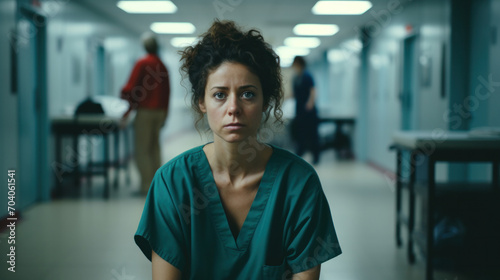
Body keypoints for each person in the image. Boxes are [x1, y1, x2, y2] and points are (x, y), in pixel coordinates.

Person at [134, 20, 341, 280]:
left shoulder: (299, 184)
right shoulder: (172, 183)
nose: (233, 108)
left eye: (248, 94)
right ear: (202, 102)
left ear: (265, 101)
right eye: (220, 94)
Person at [121, 33, 170, 195]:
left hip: (145, 111)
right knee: (154, 147)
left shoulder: (142, 63)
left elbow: (131, 88)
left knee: (142, 149)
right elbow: (167, 91)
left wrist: (127, 107)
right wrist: (165, 114)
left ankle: (146, 186)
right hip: (160, 112)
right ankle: (157, 184)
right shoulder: (162, 65)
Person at [291, 56, 320, 165]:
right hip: (299, 110)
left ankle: (316, 157)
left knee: (312, 134)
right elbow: (295, 94)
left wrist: (310, 103)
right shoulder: (296, 78)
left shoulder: (307, 76)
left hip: (309, 111)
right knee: (300, 133)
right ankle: (299, 154)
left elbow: (313, 90)